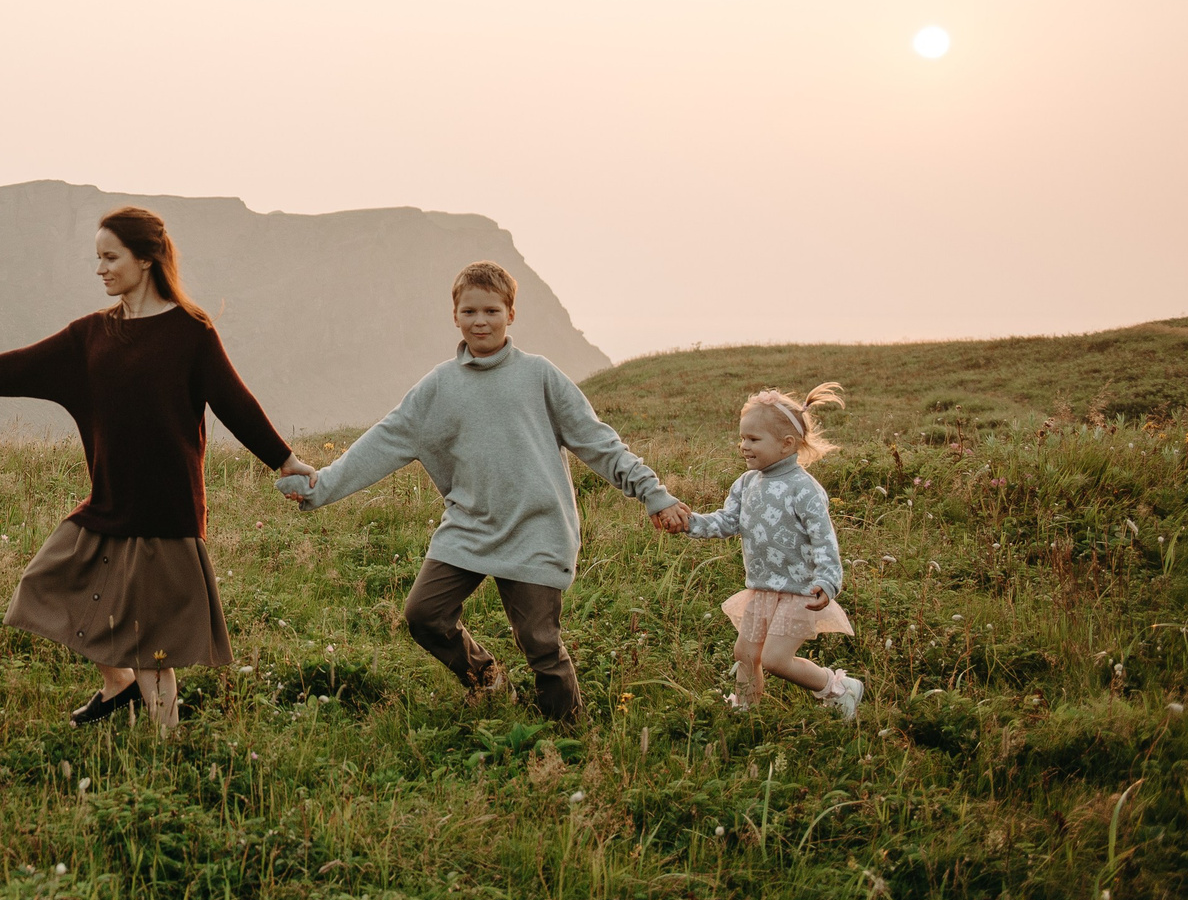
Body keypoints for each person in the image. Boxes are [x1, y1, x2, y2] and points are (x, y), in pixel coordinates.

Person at [0, 206, 314, 733]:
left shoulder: (191, 332)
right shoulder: (91, 336)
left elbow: (235, 403)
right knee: (42, 585)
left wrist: (284, 459)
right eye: (97, 257)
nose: (100, 268)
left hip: (165, 514)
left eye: (110, 257)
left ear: (146, 259)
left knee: (151, 647)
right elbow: (17, 365)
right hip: (109, 505)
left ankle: (169, 747)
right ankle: (117, 686)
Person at [281, 260, 688, 724]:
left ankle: (568, 738)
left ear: (511, 314)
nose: (480, 321)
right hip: (469, 527)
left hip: (537, 530)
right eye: (470, 311)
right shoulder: (439, 387)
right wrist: (320, 488)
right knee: (423, 614)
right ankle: (486, 677)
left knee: (541, 644)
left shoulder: (539, 375)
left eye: (492, 311)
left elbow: (599, 443)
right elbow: (384, 441)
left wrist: (654, 494)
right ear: (454, 315)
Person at [657, 384, 864, 719]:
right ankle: (745, 709)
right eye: (742, 438)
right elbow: (726, 522)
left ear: (787, 444)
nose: (744, 446)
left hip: (799, 592)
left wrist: (828, 581)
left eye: (753, 439)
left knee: (775, 659)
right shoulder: (746, 483)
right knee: (745, 653)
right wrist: (689, 523)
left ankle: (838, 688)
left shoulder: (805, 489)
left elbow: (825, 541)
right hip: (763, 589)